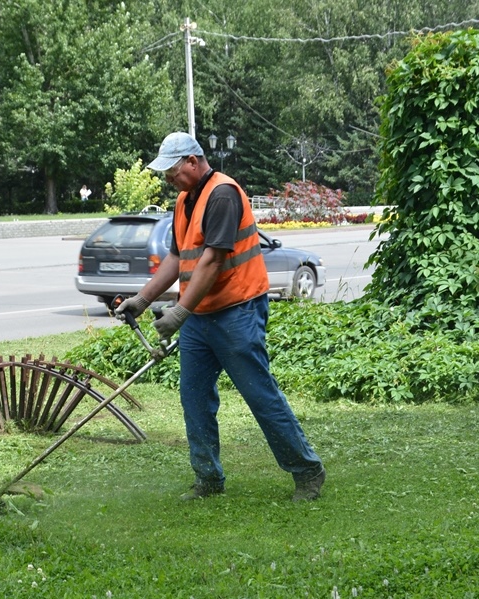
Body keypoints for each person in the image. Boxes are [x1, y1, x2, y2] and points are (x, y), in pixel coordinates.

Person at [115, 132, 325, 502]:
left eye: (173, 171)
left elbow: (212, 261)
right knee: (194, 397)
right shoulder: (184, 200)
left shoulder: (223, 194)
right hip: (200, 316)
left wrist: (180, 311)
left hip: (237, 312)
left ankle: (307, 471)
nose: (168, 179)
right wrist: (142, 299)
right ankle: (208, 481)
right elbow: (178, 258)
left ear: (193, 162)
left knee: (259, 394)